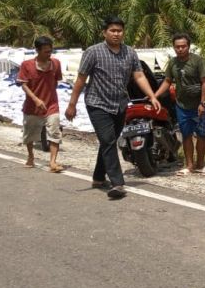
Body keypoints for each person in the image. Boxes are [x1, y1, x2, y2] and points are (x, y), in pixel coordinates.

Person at [65, 17, 161, 200]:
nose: (116, 34)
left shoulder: (130, 53)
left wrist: (152, 95)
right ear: (104, 33)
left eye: (119, 31)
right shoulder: (93, 52)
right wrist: (72, 105)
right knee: (109, 140)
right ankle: (118, 182)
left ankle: (99, 177)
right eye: (112, 30)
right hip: (97, 103)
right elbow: (81, 79)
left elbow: (139, 76)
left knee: (107, 141)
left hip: (120, 104)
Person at [154, 33, 205, 176]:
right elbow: (167, 81)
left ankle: (200, 164)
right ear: (174, 48)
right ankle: (189, 165)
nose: (180, 49)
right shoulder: (173, 63)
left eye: (183, 46)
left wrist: (203, 103)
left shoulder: (198, 61)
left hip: (198, 104)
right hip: (182, 105)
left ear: (188, 46)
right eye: (177, 47)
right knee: (186, 135)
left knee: (201, 135)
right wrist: (155, 95)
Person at [17, 36, 64, 173]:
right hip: (32, 106)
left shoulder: (56, 63)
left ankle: (53, 162)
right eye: (45, 51)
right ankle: (31, 156)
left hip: (51, 105)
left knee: (55, 132)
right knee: (29, 133)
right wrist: (36, 99)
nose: (49, 54)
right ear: (37, 50)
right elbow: (23, 84)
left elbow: (56, 81)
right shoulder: (27, 65)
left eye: (50, 51)